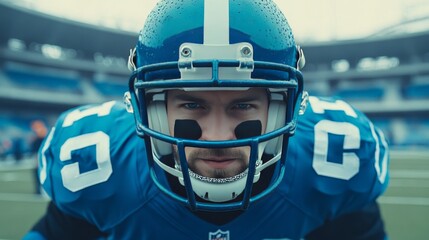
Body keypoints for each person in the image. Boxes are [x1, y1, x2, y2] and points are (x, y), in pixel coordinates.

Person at [24, 0, 390, 239]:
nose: (217, 138)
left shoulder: (335, 164)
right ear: (148, 107)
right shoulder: (97, 166)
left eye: (243, 106)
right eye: (192, 105)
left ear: (285, 107)